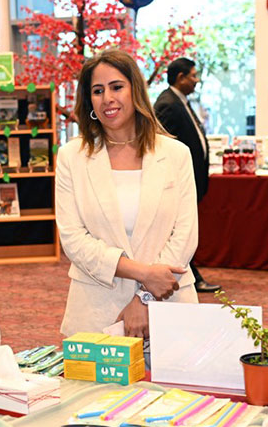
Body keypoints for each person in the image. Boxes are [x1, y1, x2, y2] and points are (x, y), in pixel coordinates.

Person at [55, 49, 198, 339]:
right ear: (89, 101)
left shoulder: (175, 154)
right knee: (98, 386)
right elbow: (73, 239)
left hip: (167, 300)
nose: (108, 98)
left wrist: (144, 296)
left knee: (173, 385)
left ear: (135, 91)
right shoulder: (71, 156)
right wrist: (144, 274)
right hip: (96, 306)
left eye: (117, 87)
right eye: (97, 90)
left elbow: (185, 235)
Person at [153, 57, 221, 293]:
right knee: (179, 230)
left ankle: (188, 272)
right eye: (193, 75)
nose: (196, 80)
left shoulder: (180, 101)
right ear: (180, 78)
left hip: (191, 179)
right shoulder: (167, 104)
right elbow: (161, 145)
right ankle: (187, 273)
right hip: (176, 183)